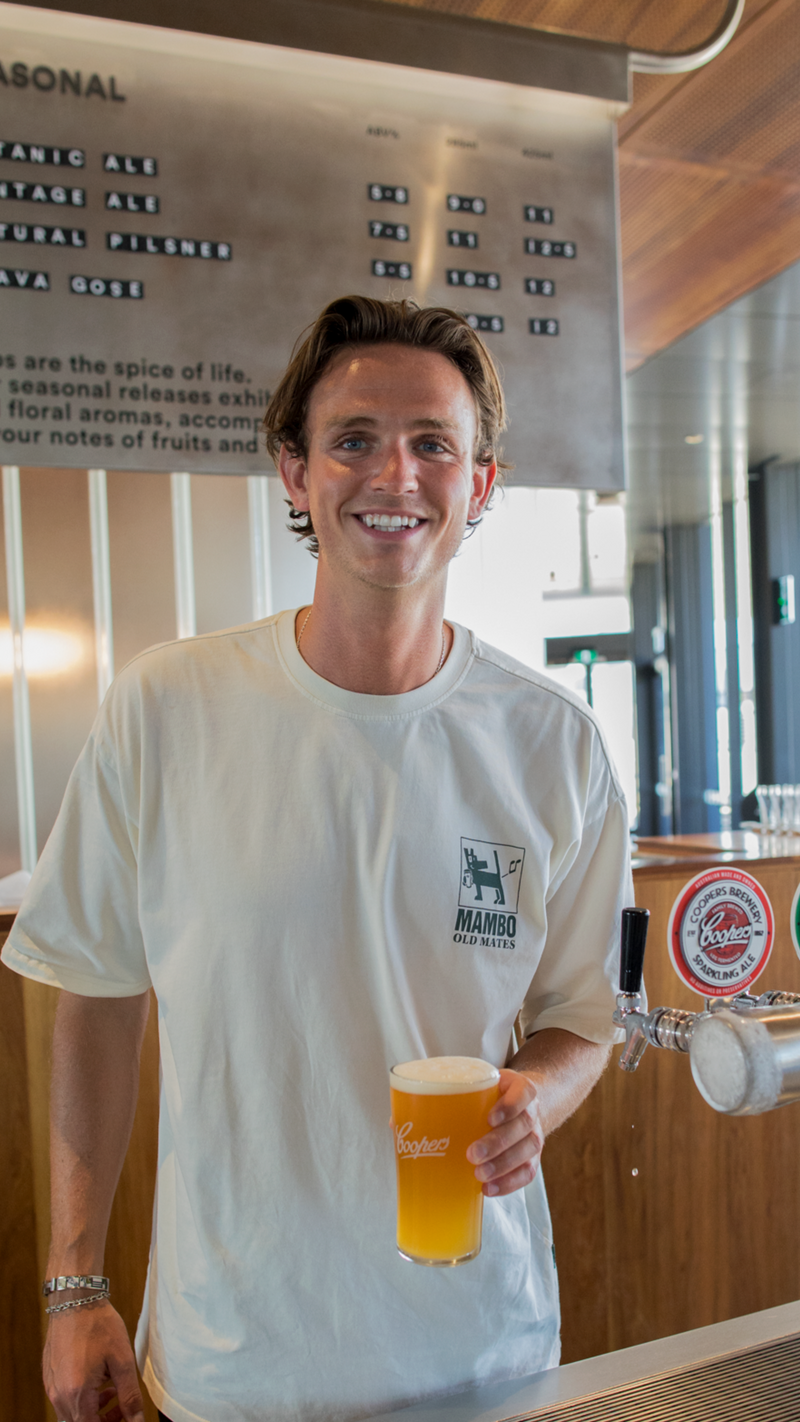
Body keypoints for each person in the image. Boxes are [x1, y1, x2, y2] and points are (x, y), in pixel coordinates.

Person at [2, 295, 632, 1422]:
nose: (395, 475)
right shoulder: (168, 707)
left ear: (480, 484)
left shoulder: (554, 745)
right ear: (294, 472)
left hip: (482, 1355)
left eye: (433, 444)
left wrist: (535, 1097)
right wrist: (74, 1282)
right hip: (233, 1365)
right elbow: (97, 994)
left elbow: (585, 1018)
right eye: (353, 440)